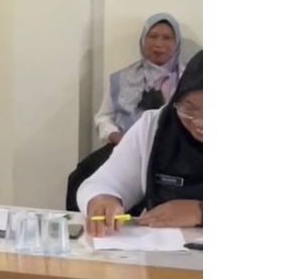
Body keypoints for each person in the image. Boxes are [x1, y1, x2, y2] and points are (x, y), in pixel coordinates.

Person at [80, 51, 202, 235]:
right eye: (190, 109)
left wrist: (200, 212)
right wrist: (102, 199)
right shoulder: (155, 126)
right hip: (160, 246)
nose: (200, 122)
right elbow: (104, 182)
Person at [93, 12, 186, 146]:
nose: (158, 44)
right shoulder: (122, 78)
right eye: (153, 36)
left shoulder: (190, 79)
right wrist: (117, 137)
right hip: (126, 148)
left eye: (167, 38)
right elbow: (104, 117)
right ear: (143, 39)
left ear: (177, 43)